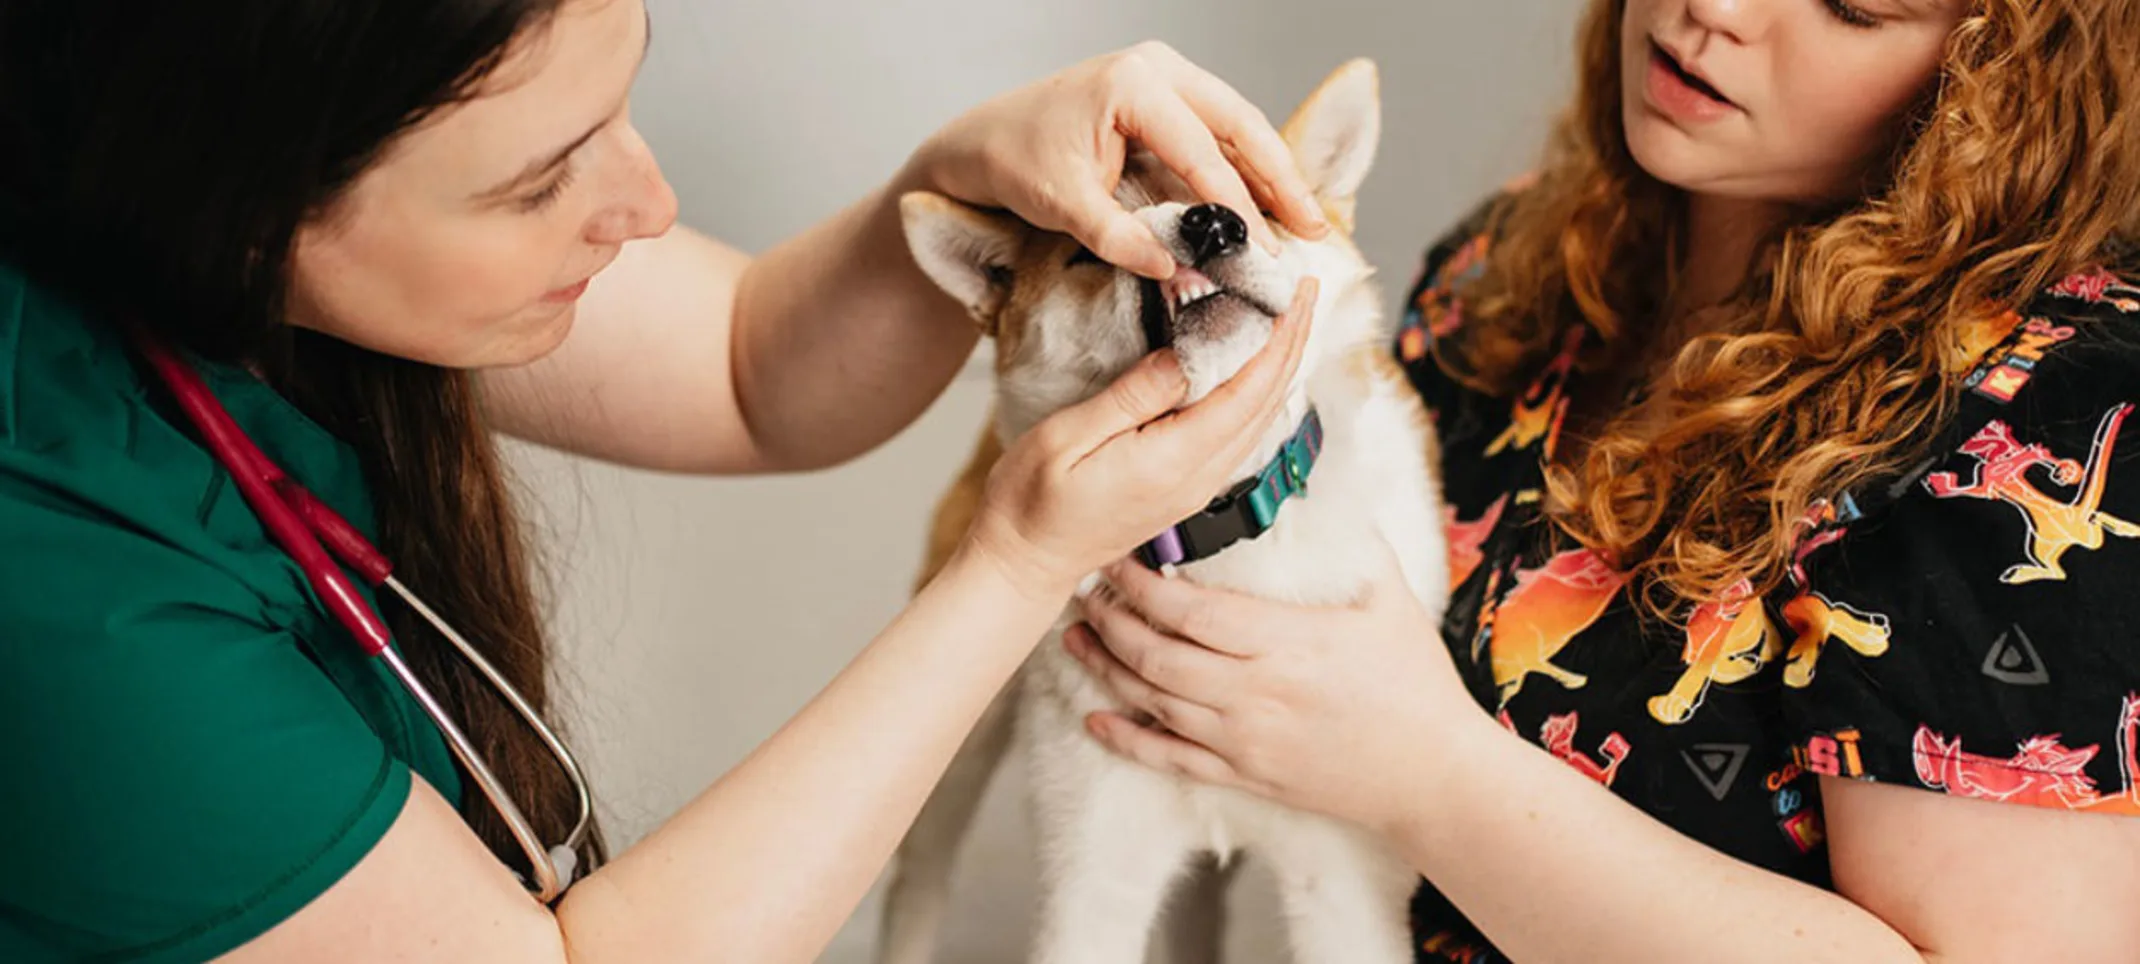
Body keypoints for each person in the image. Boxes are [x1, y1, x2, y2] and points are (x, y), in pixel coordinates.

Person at [0, 2, 1331, 962]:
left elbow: (753, 365)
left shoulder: (214, 231)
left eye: (623, 98)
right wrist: (1014, 569)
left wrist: (961, 163)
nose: (647, 201)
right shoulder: (57, 589)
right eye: (540, 181)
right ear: (240, 211)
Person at [1067, 0, 2140, 959]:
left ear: (1999, 81)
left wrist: (1428, 770)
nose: (1712, 11)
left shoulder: (2057, 415)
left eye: (1848, 6)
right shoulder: (1494, 275)